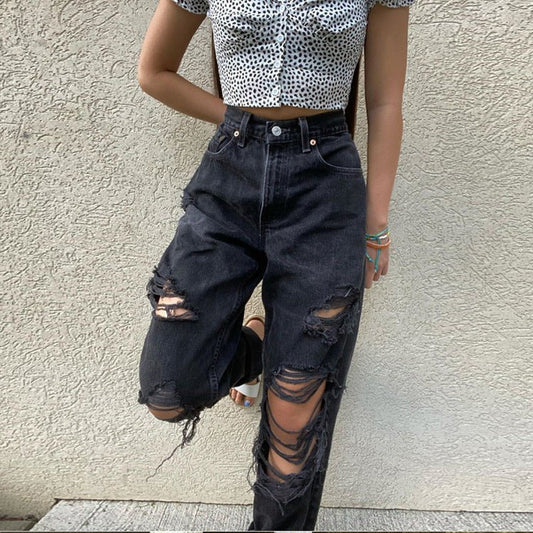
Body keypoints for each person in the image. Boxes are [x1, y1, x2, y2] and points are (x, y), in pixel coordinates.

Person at [135, 0, 415, 529]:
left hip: (324, 186)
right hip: (228, 178)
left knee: (295, 420)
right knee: (168, 390)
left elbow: (384, 101)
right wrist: (241, 121)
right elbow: (155, 72)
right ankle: (259, 344)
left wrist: (376, 221)